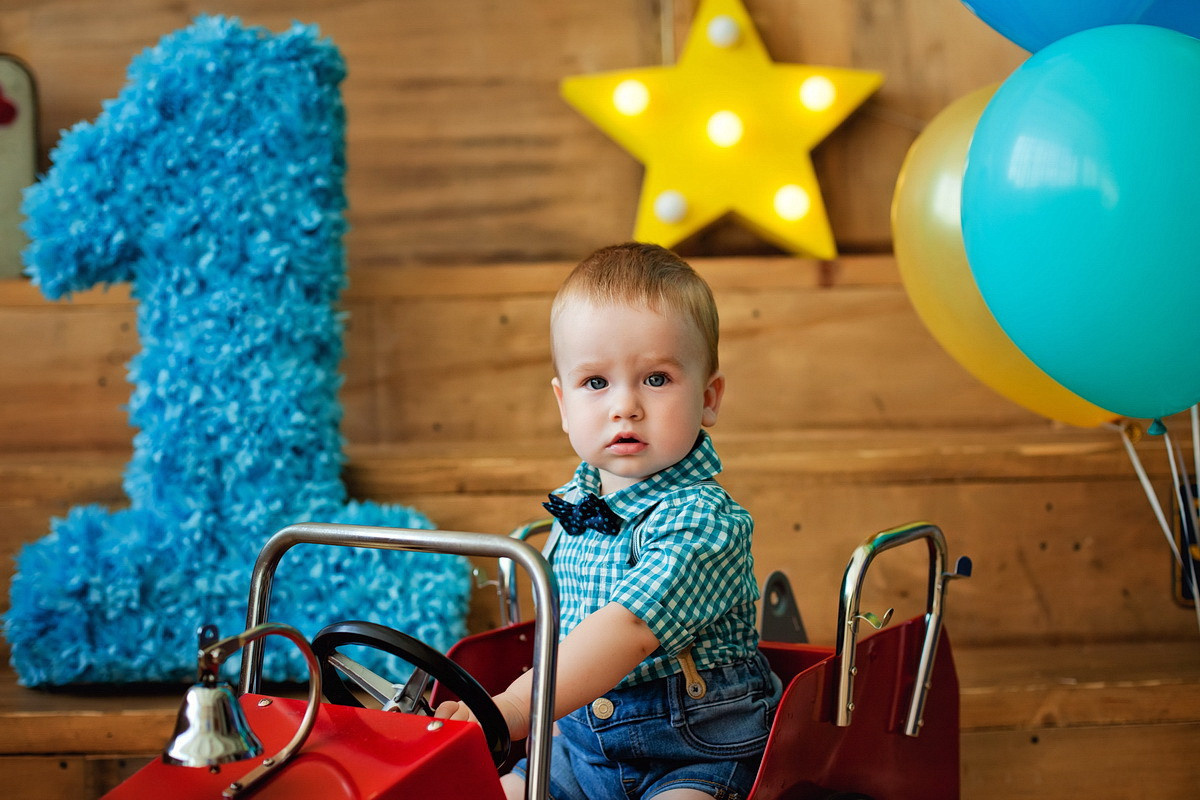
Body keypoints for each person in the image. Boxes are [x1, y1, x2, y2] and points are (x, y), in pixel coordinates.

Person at [436, 242, 781, 800]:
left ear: (709, 397)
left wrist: (511, 710)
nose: (625, 405)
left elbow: (627, 630)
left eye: (657, 379)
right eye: (596, 383)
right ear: (563, 404)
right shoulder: (574, 508)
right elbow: (564, 639)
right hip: (576, 749)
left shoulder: (704, 521)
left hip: (693, 751)